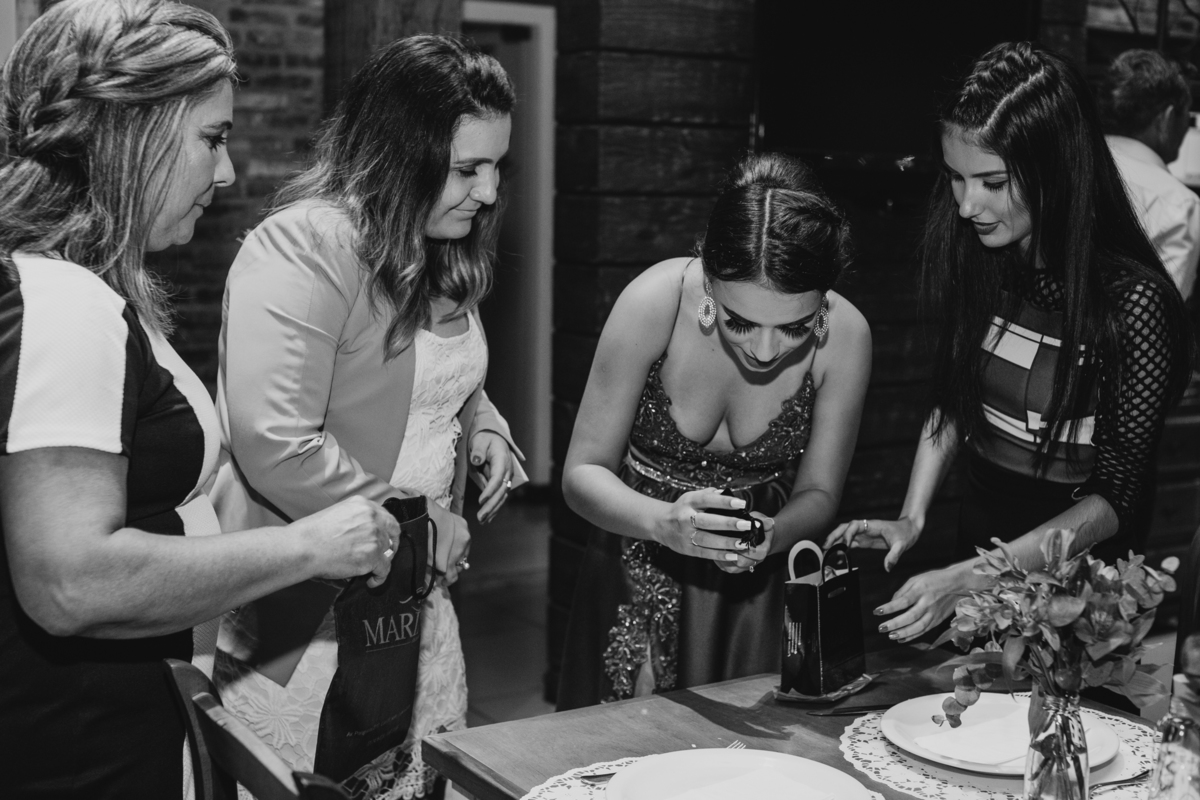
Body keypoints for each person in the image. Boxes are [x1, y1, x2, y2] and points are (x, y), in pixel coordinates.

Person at [0, 2, 401, 798]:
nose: (225, 174)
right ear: (131, 131)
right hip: (84, 756)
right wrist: (310, 546)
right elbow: (70, 582)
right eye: (211, 138)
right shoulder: (64, 302)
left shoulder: (61, 287)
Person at [209, 34, 526, 799]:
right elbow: (275, 442)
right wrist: (416, 523)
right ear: (400, 152)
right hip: (313, 613)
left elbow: (430, 377)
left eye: (496, 167)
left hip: (418, 602)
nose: (488, 192)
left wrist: (484, 425)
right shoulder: (306, 245)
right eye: (467, 169)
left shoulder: (440, 243)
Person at [827, 42, 1193, 654]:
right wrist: (913, 515)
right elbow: (953, 397)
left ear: (1057, 168)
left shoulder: (1134, 302)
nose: (967, 205)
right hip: (977, 552)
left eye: (992, 182)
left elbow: (1114, 500)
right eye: (956, 177)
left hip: (1075, 586)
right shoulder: (983, 257)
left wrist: (972, 576)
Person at [556, 152, 871, 710]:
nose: (765, 350)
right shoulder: (653, 302)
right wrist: (663, 523)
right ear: (708, 277)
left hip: (757, 580)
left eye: (796, 327)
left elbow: (821, 492)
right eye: (739, 321)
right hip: (638, 549)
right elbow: (582, 473)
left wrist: (774, 534)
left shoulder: (847, 337)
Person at [1100, 49, 1200, 300]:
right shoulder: (1178, 205)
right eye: (1186, 116)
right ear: (1167, 119)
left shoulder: (1066, 164)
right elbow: (1163, 309)